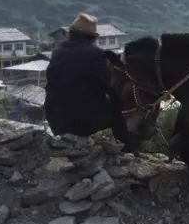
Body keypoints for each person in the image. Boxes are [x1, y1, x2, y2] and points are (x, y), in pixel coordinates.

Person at [45, 12, 132, 149]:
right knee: (116, 113)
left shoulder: (57, 51)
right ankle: (129, 150)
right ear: (92, 37)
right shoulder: (96, 55)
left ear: (71, 33)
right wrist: (119, 104)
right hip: (80, 122)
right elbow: (107, 87)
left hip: (55, 119)